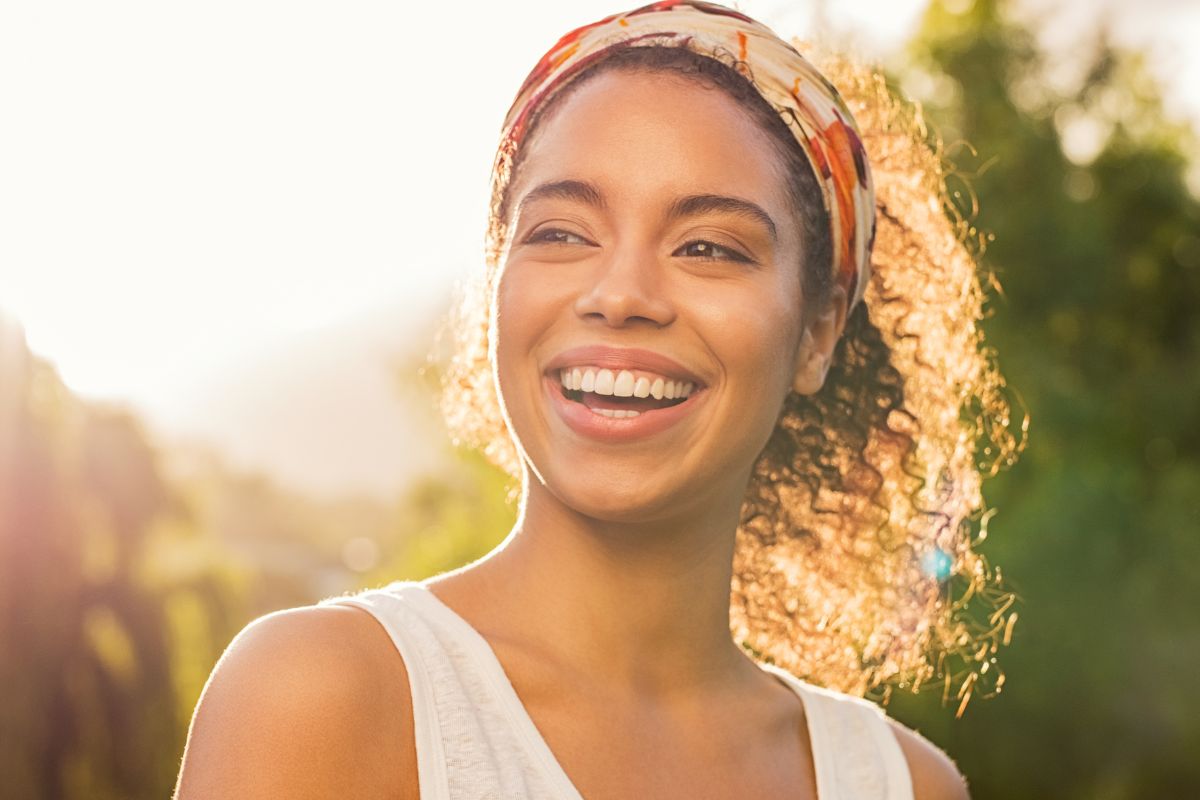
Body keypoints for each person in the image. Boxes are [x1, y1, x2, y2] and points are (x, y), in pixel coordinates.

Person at [175, 2, 1021, 797]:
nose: (620, 294)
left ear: (817, 333)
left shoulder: (899, 783)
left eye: (709, 247)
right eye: (562, 233)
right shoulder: (319, 697)